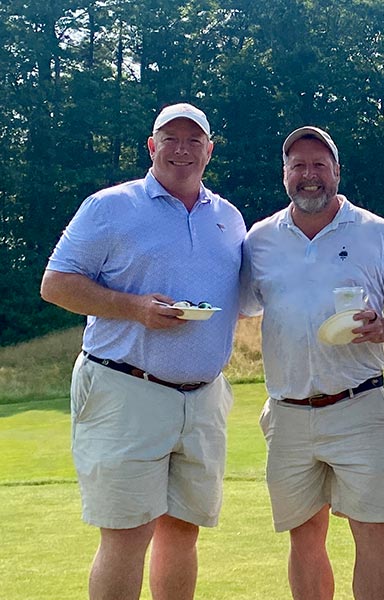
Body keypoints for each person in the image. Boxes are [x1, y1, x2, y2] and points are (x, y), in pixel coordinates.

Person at [40, 103, 246, 600]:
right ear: (151, 146)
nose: (182, 148)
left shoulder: (229, 217)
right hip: (125, 388)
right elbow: (56, 284)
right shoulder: (110, 206)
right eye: (170, 138)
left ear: (209, 150)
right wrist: (134, 307)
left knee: (183, 531)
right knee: (127, 534)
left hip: (203, 398)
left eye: (194, 140)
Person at [239, 126, 384, 600]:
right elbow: (241, 306)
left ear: (337, 172)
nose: (309, 175)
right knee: (304, 540)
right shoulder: (259, 240)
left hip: (357, 407)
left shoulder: (376, 232)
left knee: (371, 534)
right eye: (298, 165)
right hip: (287, 413)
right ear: (284, 174)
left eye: (319, 165)